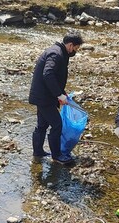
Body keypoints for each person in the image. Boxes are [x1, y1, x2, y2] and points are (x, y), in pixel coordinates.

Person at [29, 30, 84, 164]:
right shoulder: (56, 54)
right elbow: (48, 74)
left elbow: (55, 77)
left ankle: (38, 152)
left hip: (44, 95)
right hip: (44, 97)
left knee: (42, 124)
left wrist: (62, 93)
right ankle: (57, 155)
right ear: (70, 45)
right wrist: (58, 94)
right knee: (57, 124)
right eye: (76, 48)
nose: (76, 51)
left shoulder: (58, 52)